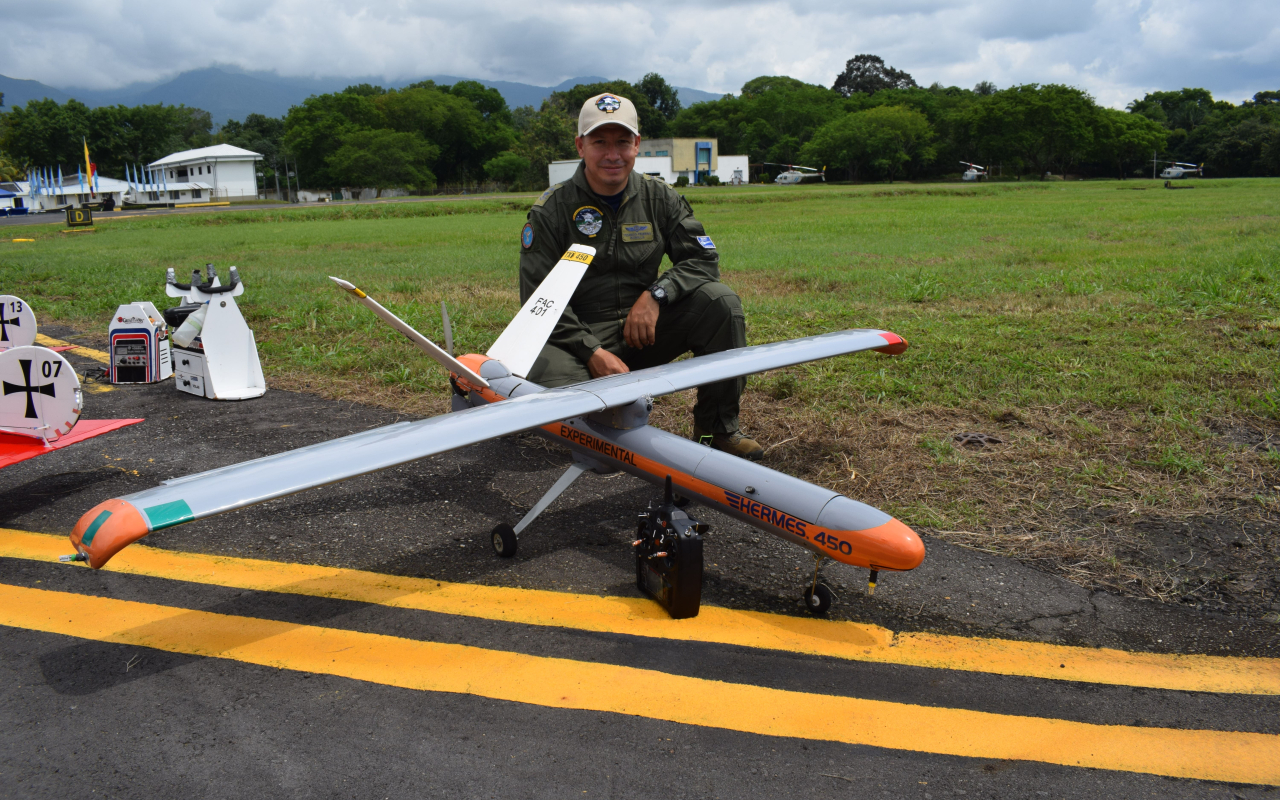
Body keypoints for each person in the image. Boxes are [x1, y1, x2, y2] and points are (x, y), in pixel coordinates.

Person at [518, 92, 764, 461]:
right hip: (574, 338)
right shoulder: (552, 210)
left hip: (641, 333)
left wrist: (657, 295)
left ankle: (717, 431)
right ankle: (592, 420)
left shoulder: (659, 197)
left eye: (622, 142)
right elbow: (539, 300)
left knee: (721, 304)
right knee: (570, 408)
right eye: (600, 142)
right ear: (580, 146)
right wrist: (591, 351)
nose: (612, 154)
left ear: (637, 144)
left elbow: (702, 259)